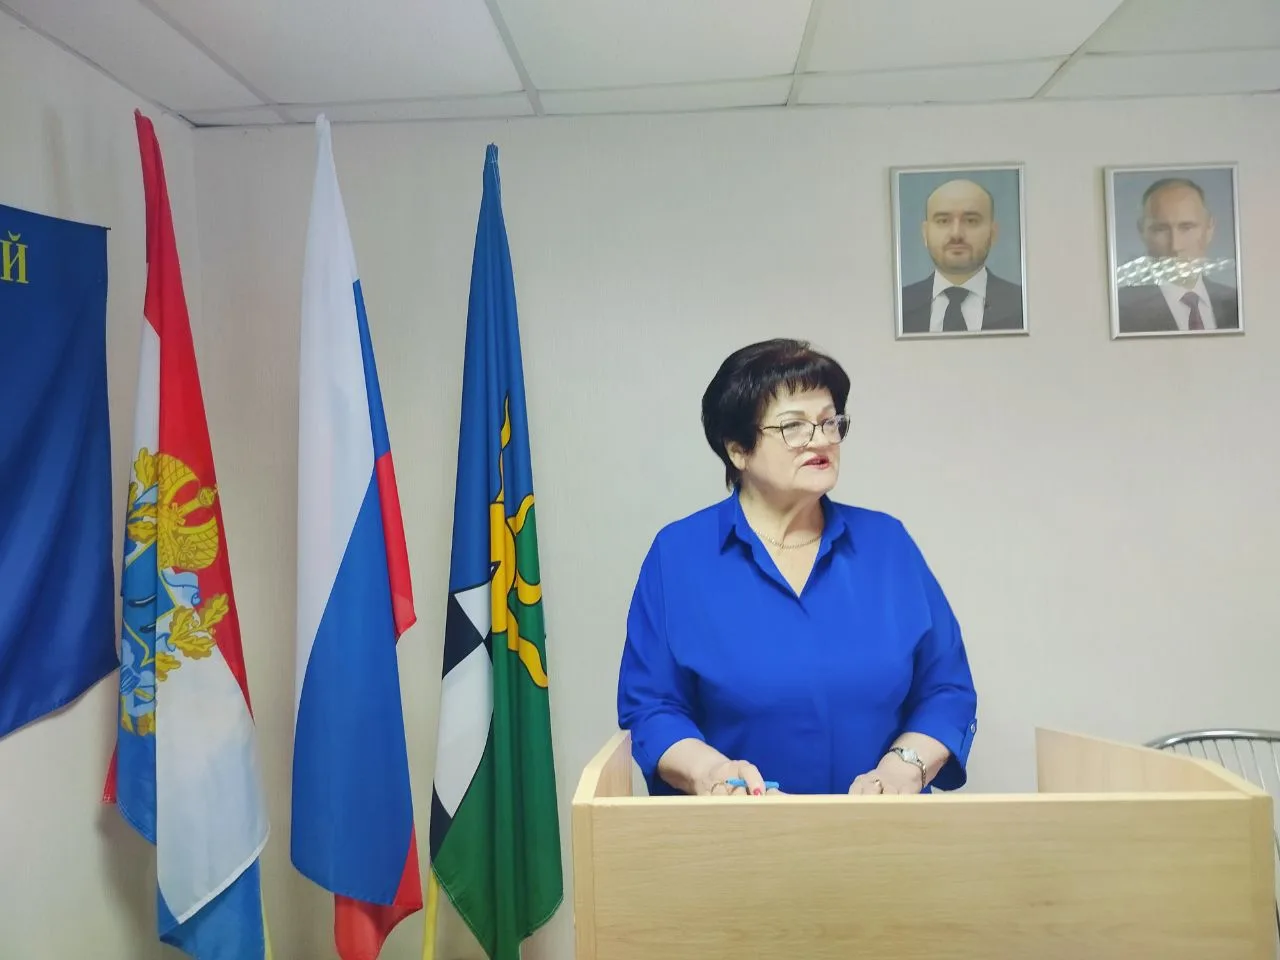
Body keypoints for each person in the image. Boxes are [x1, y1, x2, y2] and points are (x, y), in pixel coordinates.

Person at [616, 338, 978, 798]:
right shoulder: (678, 555)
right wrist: (709, 772)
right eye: (794, 426)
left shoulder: (888, 544)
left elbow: (946, 689)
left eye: (829, 422)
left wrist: (904, 768)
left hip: (881, 829)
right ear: (738, 449)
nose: (822, 439)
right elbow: (652, 707)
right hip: (734, 831)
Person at [900, 178, 1024, 334]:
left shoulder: (1024, 304)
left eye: (971, 221)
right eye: (943, 221)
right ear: (925, 233)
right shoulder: (897, 305)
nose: (956, 234)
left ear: (993, 233)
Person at [1117, 177, 1239, 333]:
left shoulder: (1236, 303)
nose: (1175, 246)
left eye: (1187, 227)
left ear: (1209, 229)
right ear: (1142, 232)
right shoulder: (1120, 309)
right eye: (1161, 229)